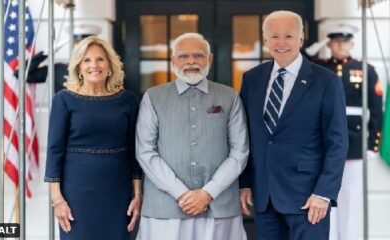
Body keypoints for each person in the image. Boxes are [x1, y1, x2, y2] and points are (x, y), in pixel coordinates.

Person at [239, 10, 348, 240]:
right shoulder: (252, 79)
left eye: (288, 36)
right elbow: (246, 135)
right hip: (264, 197)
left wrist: (324, 193)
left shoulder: (327, 81)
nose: (281, 43)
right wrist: (245, 183)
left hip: (309, 199)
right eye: (274, 36)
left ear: (301, 38)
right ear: (265, 39)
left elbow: (337, 143)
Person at [135, 32, 249, 240]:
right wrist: (181, 193)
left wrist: (208, 193)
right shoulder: (153, 97)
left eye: (198, 55)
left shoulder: (229, 97)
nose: (191, 62)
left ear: (210, 59)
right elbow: (145, 152)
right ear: (172, 60)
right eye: (183, 56)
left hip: (219, 205)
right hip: (165, 207)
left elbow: (240, 152)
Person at [44, 36, 142, 240]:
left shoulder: (128, 100)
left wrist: (138, 194)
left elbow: (135, 152)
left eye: (100, 59)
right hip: (76, 193)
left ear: (110, 65)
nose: (94, 65)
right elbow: (54, 152)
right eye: (86, 60)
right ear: (78, 67)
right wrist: (57, 200)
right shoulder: (64, 100)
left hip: (117, 192)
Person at [305, 23, 383, 240]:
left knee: (350, 196)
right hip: (324, 140)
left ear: (352, 43)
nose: (341, 45)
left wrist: (371, 145)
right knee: (325, 194)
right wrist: (317, 46)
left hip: (354, 141)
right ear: (330, 43)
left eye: (345, 41)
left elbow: (376, 110)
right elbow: (300, 57)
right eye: (336, 41)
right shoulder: (320, 67)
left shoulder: (365, 69)